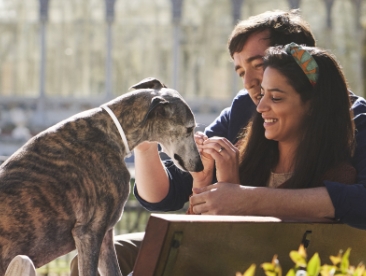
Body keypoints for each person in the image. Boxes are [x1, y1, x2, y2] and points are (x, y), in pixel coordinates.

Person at [70, 9, 366, 276]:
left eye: (259, 64)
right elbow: (171, 191)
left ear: (294, 58)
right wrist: (147, 145)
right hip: (225, 238)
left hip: (277, 250)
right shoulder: (247, 109)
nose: (249, 83)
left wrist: (243, 197)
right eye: (240, 71)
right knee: (98, 256)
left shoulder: (353, 121)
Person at [187, 43, 356, 216]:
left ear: (313, 106)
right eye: (262, 95)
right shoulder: (242, 154)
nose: (260, 107)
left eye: (275, 98)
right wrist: (202, 180)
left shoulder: (338, 177)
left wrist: (233, 188)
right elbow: (191, 238)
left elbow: (270, 242)